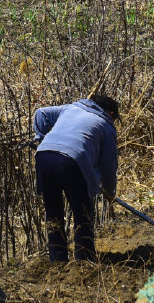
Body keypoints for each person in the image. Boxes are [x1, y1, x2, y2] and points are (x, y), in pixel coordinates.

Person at [32, 89, 119, 262]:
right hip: (72, 162)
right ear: (110, 113)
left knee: (53, 213)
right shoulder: (106, 125)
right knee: (83, 213)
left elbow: (40, 113)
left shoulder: (70, 108)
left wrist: (41, 139)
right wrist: (110, 192)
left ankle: (57, 262)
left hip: (44, 156)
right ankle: (84, 262)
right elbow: (109, 166)